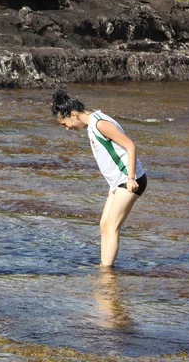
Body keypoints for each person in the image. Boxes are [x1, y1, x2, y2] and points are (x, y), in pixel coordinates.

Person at [51, 89, 147, 267]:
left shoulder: (100, 123)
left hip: (129, 180)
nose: (67, 128)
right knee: (104, 225)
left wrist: (131, 177)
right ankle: (104, 265)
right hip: (117, 182)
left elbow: (130, 145)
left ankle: (107, 272)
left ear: (73, 114)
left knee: (112, 227)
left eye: (65, 124)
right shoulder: (92, 124)